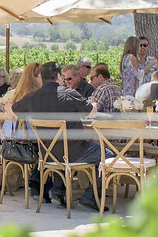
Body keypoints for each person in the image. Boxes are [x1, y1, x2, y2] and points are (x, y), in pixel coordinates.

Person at [11, 61, 105, 210]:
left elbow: (14, 109)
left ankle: (58, 192)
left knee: (61, 147)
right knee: (108, 156)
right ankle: (90, 196)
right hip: (74, 152)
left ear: (42, 77)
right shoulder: (69, 94)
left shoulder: (32, 97)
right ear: (58, 76)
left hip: (47, 154)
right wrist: (93, 105)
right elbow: (91, 113)